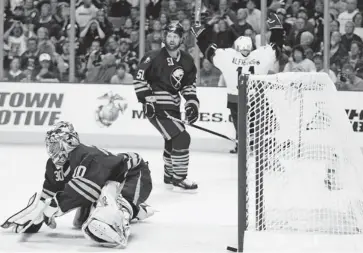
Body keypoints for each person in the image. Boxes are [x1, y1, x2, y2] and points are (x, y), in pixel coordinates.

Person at [1, 121, 154, 248]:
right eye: (50, 146)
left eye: (55, 145)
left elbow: (84, 191)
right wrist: (36, 217)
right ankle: (133, 209)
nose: (51, 150)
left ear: (68, 142)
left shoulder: (87, 155)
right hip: (104, 182)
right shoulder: (54, 165)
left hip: (133, 173)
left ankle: (125, 215)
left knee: (108, 208)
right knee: (80, 221)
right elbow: (49, 194)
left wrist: (54, 207)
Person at [191, 13, 285, 154]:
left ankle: (242, 146)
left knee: (242, 130)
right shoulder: (262, 55)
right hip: (256, 99)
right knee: (266, 128)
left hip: (235, 100)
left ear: (236, 47)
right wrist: (276, 28)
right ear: (251, 46)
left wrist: (200, 34)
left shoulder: (227, 56)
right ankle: (264, 147)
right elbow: (277, 47)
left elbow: (208, 50)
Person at [134, 23, 199, 191]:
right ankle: (179, 178)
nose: (172, 39)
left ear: (181, 39)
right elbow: (139, 80)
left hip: (173, 106)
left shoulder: (187, 60)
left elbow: (188, 85)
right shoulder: (152, 57)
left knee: (172, 139)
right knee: (182, 138)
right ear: (164, 37)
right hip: (157, 107)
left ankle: (169, 175)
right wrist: (147, 101)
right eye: (169, 36)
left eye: (175, 36)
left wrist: (192, 103)